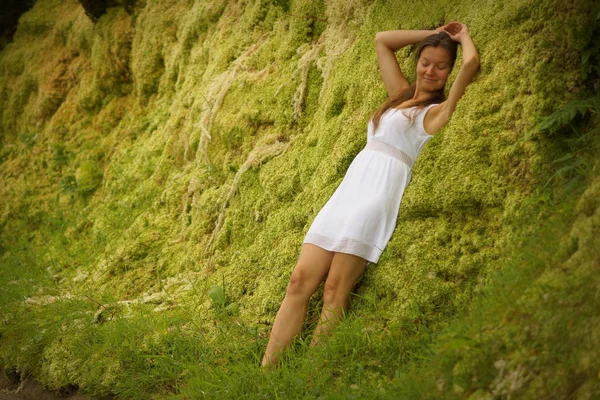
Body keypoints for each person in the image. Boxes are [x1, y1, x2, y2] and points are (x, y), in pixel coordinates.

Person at [261, 20, 479, 367]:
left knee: (334, 290)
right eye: (425, 62)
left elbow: (470, 64)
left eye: (441, 66)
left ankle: (311, 374)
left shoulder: (434, 113)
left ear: (449, 72)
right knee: (299, 280)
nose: (431, 71)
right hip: (347, 193)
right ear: (417, 62)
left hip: (377, 196)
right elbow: (382, 41)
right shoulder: (399, 96)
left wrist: (462, 37)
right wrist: (436, 35)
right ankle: (267, 373)